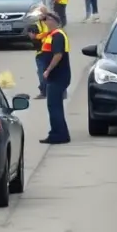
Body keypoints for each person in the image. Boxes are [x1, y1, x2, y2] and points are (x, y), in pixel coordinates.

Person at [40, 13, 72, 144]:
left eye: (45, 20)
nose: (44, 23)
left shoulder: (58, 35)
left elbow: (58, 55)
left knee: (54, 106)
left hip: (58, 76)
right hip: (55, 76)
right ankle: (57, 132)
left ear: (53, 20)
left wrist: (48, 70)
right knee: (54, 105)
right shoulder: (51, 35)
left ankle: (59, 135)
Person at [28, 5, 51, 99]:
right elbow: (32, 37)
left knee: (53, 72)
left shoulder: (51, 23)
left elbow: (50, 34)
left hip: (50, 52)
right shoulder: (35, 25)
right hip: (40, 53)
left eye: (41, 13)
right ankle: (44, 91)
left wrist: (37, 36)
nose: (40, 15)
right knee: (41, 73)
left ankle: (59, 92)